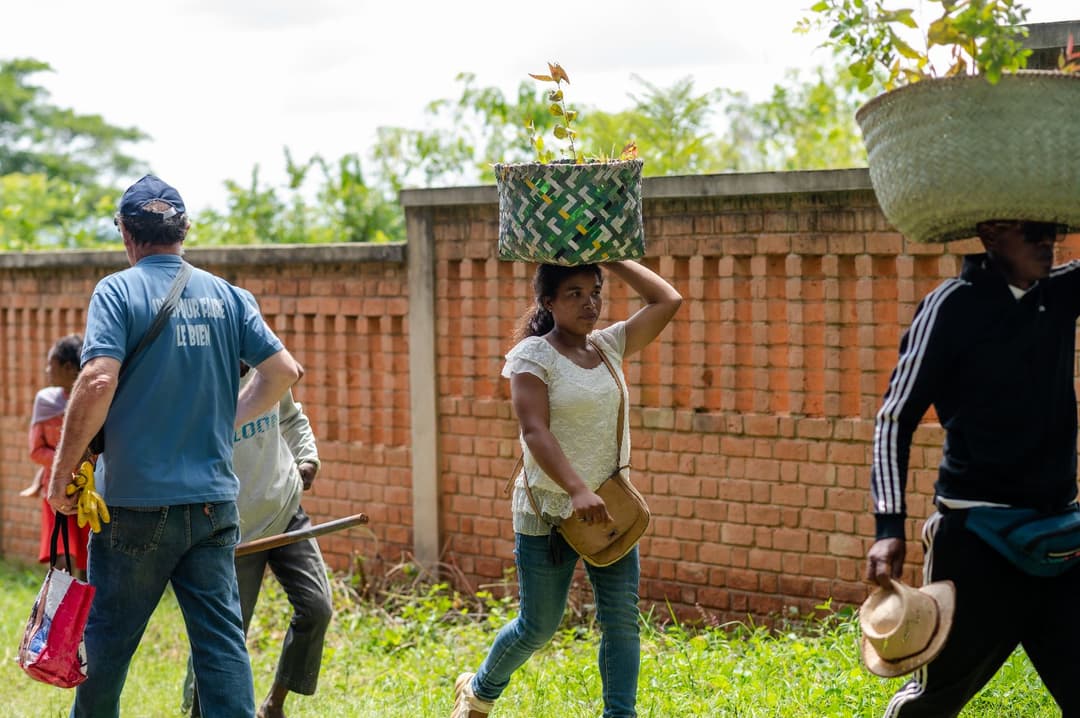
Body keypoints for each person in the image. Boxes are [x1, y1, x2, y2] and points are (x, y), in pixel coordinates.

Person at [46, 175, 304, 718]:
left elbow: (95, 382)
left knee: (108, 647)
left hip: (135, 509)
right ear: (184, 230)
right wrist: (224, 419)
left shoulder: (117, 291)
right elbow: (284, 371)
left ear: (125, 232)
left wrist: (59, 476)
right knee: (221, 647)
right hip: (213, 507)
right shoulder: (231, 297)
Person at [866, 219, 1080, 716]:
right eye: (1033, 234)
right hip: (977, 539)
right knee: (932, 700)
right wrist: (888, 526)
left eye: (1053, 231)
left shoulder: (1060, 294)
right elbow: (894, 418)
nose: (1048, 244)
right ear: (991, 235)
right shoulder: (953, 306)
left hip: (1059, 538)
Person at [452, 260, 681, 718]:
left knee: (620, 621)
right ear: (549, 302)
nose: (589, 302)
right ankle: (478, 692)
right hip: (550, 510)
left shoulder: (609, 345)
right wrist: (576, 489)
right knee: (538, 626)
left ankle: (620, 714)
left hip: (609, 508)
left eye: (595, 291)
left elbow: (667, 300)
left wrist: (613, 255)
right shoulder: (533, 355)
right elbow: (535, 431)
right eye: (574, 293)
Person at [184, 363, 332, 718]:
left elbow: (292, 418)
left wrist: (306, 458)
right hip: (231, 533)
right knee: (224, 639)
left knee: (316, 607)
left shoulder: (270, 369)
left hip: (285, 509)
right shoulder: (198, 385)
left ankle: (274, 704)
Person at [21, 333, 91, 579]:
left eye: (51, 364)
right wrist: (70, 462)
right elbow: (35, 450)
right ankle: (60, 613)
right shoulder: (45, 401)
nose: (46, 370)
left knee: (90, 556)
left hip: (90, 492)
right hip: (57, 489)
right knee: (62, 554)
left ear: (69, 368)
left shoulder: (94, 401)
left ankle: (85, 616)